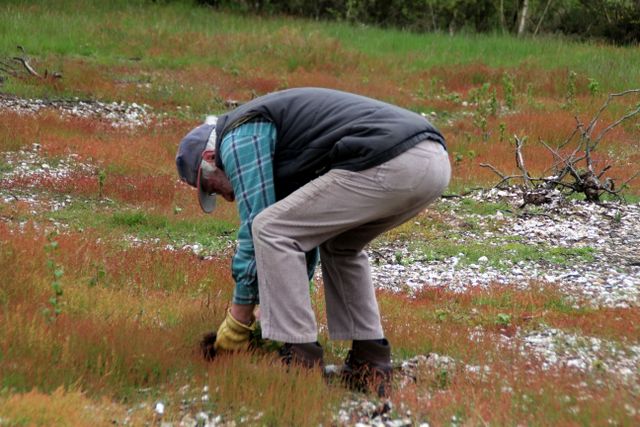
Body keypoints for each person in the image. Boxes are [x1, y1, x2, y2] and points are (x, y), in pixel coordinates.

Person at [176, 87, 450, 395]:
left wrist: (238, 321)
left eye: (211, 186)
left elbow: (257, 227)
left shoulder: (239, 135)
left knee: (268, 227)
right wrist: (272, 303)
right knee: (340, 245)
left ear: (211, 158)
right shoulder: (275, 143)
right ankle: (370, 366)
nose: (225, 197)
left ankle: (300, 367)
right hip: (432, 161)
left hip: (391, 160)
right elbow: (301, 239)